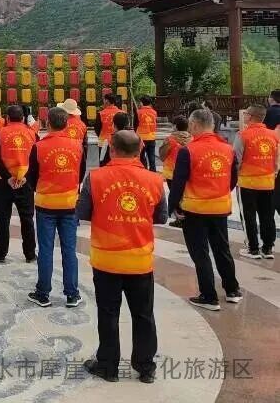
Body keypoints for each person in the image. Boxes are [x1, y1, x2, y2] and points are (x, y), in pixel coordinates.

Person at [76, 129, 167, 384]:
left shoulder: (96, 178)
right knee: (143, 314)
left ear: (112, 149)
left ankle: (108, 366)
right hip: (139, 260)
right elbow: (161, 216)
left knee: (108, 313)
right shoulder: (154, 180)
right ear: (139, 150)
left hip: (107, 260)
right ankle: (146, 367)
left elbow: (82, 212)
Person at [168, 108, 242, 310]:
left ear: (193, 125)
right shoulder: (227, 149)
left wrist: (173, 206)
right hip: (220, 207)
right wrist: (220, 192)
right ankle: (232, 290)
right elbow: (233, 178)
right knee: (222, 249)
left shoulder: (188, 151)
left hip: (195, 209)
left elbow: (178, 183)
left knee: (200, 253)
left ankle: (209, 296)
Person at [25, 108, 84, 307]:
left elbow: (31, 176)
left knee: (45, 250)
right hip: (70, 204)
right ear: (66, 124)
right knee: (69, 250)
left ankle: (43, 293)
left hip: (46, 205)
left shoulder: (39, 147)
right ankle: (72, 294)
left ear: (47, 123)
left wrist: (42, 189)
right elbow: (81, 172)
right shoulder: (77, 146)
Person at [0, 105, 37, 263]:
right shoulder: (32, 133)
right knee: (27, 219)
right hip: (25, 183)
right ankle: (30, 254)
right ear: (23, 118)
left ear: (7, 118)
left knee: (3, 219)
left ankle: (1, 253)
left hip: (4, 183)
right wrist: (26, 178)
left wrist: (8, 178)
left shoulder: (0, 133)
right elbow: (36, 160)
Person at [234, 105, 278, 259]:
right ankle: (268, 248)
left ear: (251, 116)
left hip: (247, 182)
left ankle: (253, 248)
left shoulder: (243, 135)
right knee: (267, 216)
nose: (244, 115)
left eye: (246, 113)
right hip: (268, 182)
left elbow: (236, 160)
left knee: (249, 216)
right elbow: (276, 159)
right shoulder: (273, 135)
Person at [94, 93, 120, 164]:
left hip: (103, 141)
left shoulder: (101, 114)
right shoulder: (121, 113)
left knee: (103, 163)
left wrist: (101, 135)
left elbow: (97, 128)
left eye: (104, 100)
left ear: (107, 101)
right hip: (118, 141)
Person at [135, 96, 158, 171]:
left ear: (142, 103)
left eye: (140, 102)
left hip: (141, 138)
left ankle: (144, 171)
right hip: (152, 137)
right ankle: (153, 171)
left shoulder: (138, 112)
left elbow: (135, 124)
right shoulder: (154, 112)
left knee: (142, 156)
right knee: (151, 157)